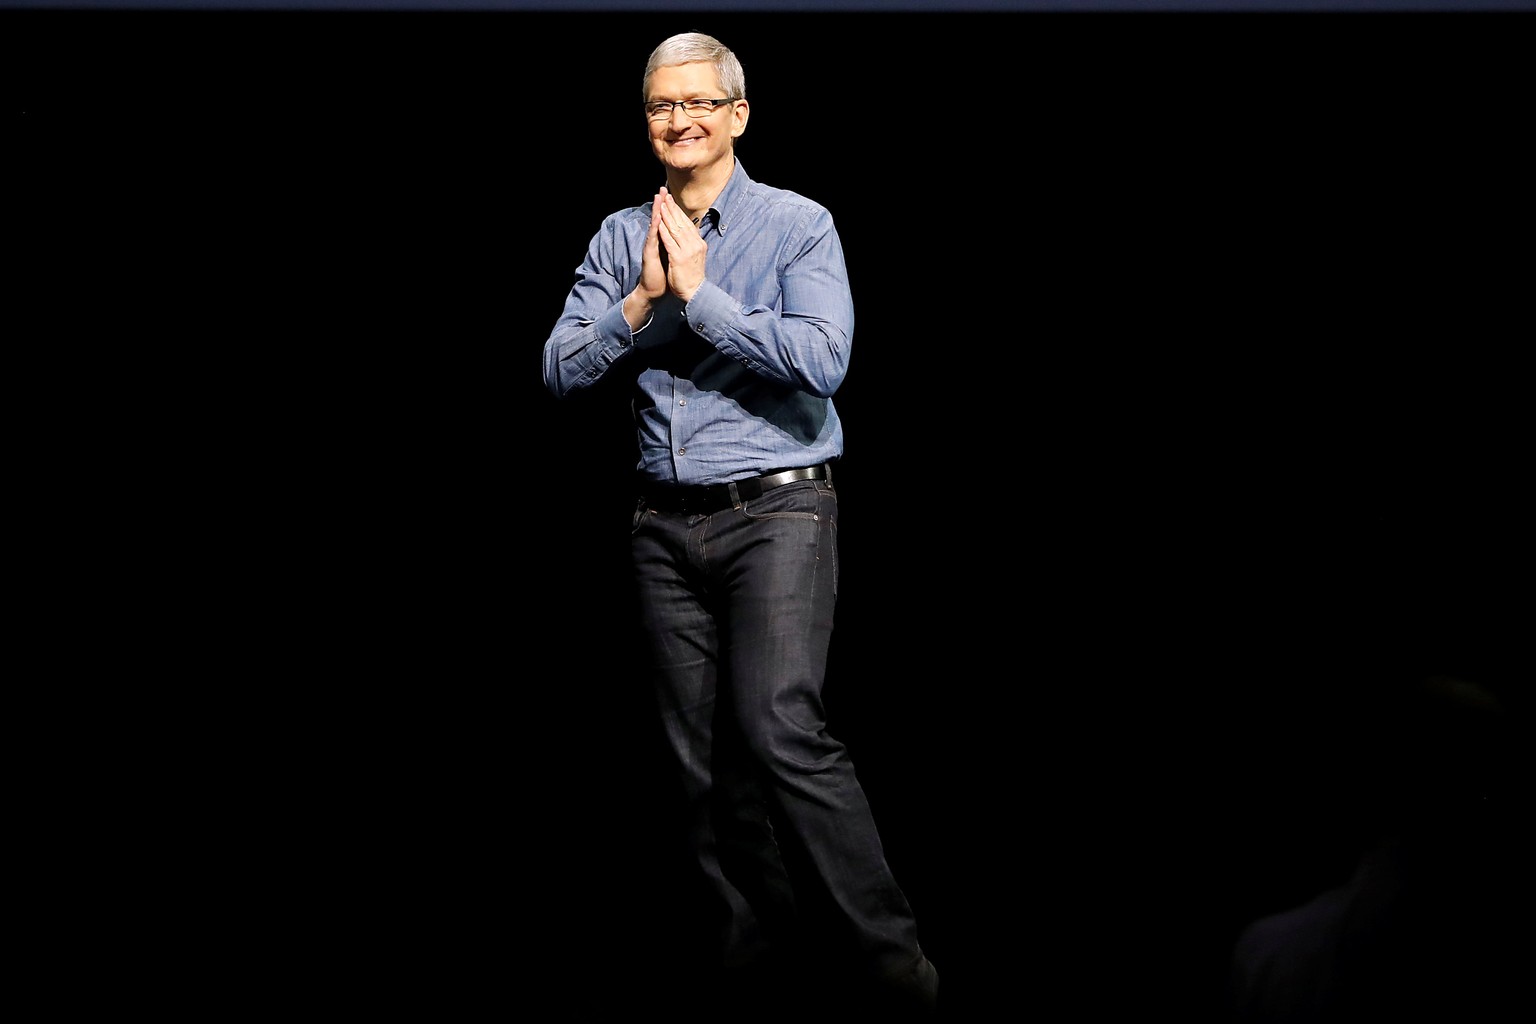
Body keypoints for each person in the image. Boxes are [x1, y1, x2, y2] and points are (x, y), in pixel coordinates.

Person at [541, 30, 939, 1017]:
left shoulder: (798, 225)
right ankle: (750, 964)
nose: (678, 121)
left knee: (779, 731)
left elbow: (822, 358)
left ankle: (893, 969)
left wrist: (701, 300)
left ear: (737, 115)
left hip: (780, 506)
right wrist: (638, 301)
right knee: (697, 761)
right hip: (661, 524)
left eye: (697, 104)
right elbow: (557, 370)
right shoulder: (617, 235)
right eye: (660, 107)